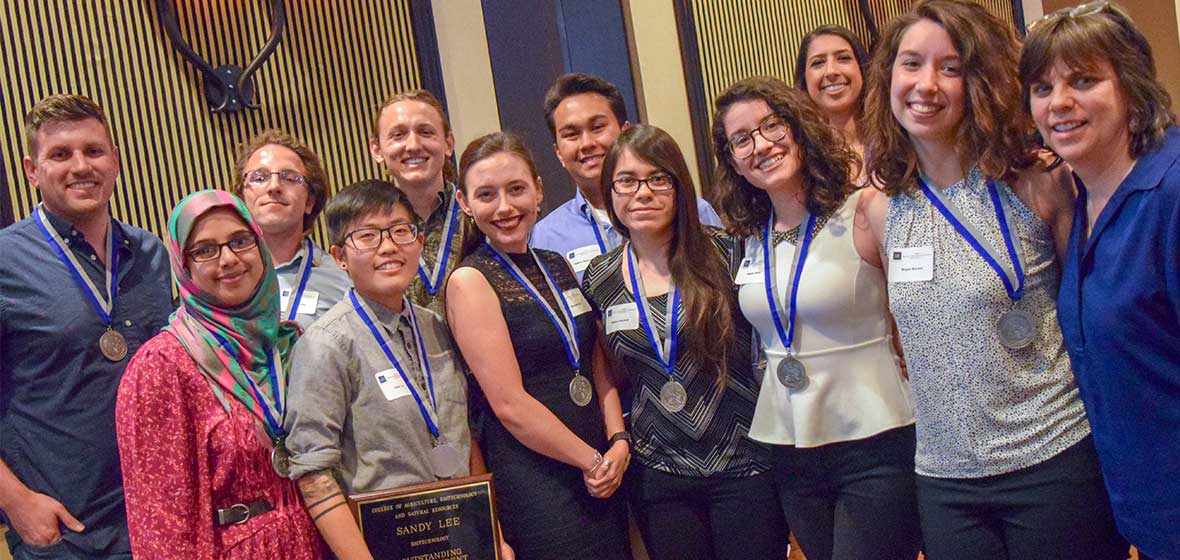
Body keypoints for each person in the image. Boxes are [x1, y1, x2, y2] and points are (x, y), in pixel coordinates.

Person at [859, 1, 1126, 558]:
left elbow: (1089, 316)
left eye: (950, 68)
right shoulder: (880, 209)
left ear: (978, 80)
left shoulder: (1041, 181)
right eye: (911, 64)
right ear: (889, 75)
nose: (925, 85)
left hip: (1052, 460)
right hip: (945, 480)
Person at [711, 76, 920, 560]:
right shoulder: (748, 237)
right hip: (791, 448)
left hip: (873, 439)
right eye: (742, 139)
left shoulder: (865, 208)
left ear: (800, 127)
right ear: (733, 162)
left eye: (771, 126)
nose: (761, 145)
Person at [580, 124, 789, 560]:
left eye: (659, 179)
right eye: (627, 181)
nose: (643, 193)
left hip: (744, 463)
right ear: (610, 191)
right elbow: (612, 372)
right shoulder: (599, 278)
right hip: (659, 472)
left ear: (680, 188)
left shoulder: (728, 253)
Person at [1021, 3, 1180, 556]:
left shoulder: (1171, 193)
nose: (1058, 102)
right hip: (1145, 510)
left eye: (1083, 80)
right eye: (1042, 88)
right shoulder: (1080, 198)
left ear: (1131, 86)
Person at [283, 180, 512, 559]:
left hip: (462, 540)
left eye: (400, 231)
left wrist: (493, 535)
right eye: (368, 236)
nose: (388, 247)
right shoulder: (325, 345)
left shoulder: (436, 327)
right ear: (339, 257)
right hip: (384, 546)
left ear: (418, 242)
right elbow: (313, 472)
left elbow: (462, 436)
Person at [0, 94, 172, 559]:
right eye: (60, 155)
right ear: (32, 171)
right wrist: (16, 503)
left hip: (160, 515)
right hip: (66, 530)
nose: (81, 166)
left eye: (93, 151)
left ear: (114, 161)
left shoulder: (152, 253)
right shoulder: (5, 261)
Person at [446, 132, 630, 559]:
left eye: (516, 189)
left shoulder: (556, 264)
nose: (505, 207)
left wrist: (617, 439)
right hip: (538, 476)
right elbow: (509, 404)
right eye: (487, 195)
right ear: (464, 204)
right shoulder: (470, 281)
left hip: (599, 464)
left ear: (539, 190)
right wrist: (591, 461)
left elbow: (593, 360)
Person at [115, 190, 322, 559]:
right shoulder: (161, 367)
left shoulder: (290, 344)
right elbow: (162, 531)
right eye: (205, 250)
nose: (228, 259)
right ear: (184, 266)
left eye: (240, 241)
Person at [531, 73, 721, 278]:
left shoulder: (692, 210)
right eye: (571, 135)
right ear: (558, 152)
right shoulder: (545, 237)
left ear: (625, 133)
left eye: (597, 128)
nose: (587, 143)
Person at [232, 129, 350, 328]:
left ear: (310, 201)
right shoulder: (222, 276)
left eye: (289, 178)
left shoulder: (344, 278)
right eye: (259, 178)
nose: (274, 187)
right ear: (241, 198)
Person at [369, 90, 464, 318]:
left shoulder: (479, 216)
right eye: (398, 135)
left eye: (425, 132)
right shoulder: (365, 234)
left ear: (448, 143)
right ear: (377, 150)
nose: (413, 145)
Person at [794, 25, 870, 177]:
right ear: (805, 80)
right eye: (818, 63)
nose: (831, 71)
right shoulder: (798, 157)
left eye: (843, 58)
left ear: (862, 68)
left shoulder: (895, 139)